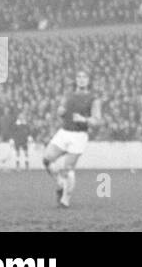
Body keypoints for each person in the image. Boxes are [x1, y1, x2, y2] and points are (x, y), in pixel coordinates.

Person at [42, 70, 101, 208]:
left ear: (88, 80)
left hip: (79, 136)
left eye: (84, 77)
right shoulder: (68, 95)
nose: (81, 79)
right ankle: (61, 184)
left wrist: (84, 119)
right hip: (64, 132)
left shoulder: (93, 98)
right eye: (79, 76)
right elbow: (61, 111)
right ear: (76, 80)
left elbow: (97, 121)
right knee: (46, 159)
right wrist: (60, 112)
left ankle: (65, 201)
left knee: (67, 168)